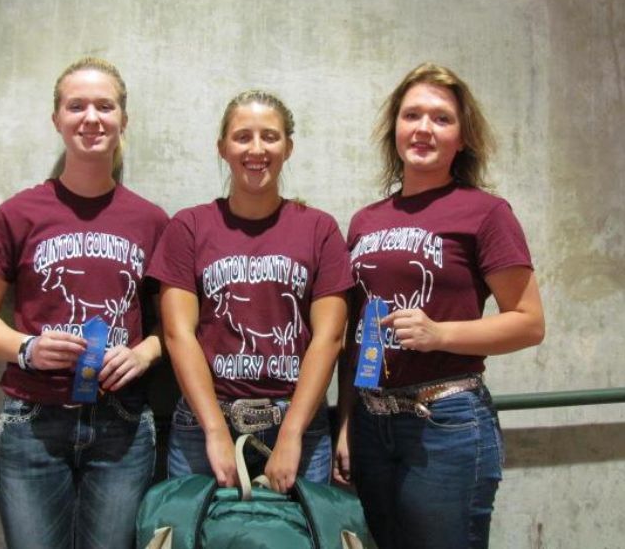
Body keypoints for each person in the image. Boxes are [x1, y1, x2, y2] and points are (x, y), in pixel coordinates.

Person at [334, 63, 545, 548]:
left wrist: (441, 333)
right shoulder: (365, 220)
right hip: (371, 422)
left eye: (441, 118)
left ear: (463, 137)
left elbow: (530, 323)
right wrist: (345, 422)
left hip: (446, 423)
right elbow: (356, 338)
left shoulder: (487, 213)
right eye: (412, 115)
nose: (424, 128)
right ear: (395, 128)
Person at [0, 57, 168, 549]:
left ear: (123, 119)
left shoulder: (152, 220)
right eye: (76, 106)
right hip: (34, 421)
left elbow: (173, 328)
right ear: (57, 119)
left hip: (121, 422)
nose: (91, 118)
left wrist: (142, 353)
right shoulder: (18, 213)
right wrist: (26, 348)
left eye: (105, 105)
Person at [147, 90, 354, 493]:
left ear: (288, 148)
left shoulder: (319, 229)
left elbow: (329, 338)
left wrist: (292, 432)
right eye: (242, 136)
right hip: (204, 424)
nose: (256, 148)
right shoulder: (188, 227)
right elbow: (177, 333)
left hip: (298, 421)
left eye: (270, 137)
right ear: (222, 147)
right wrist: (214, 430)